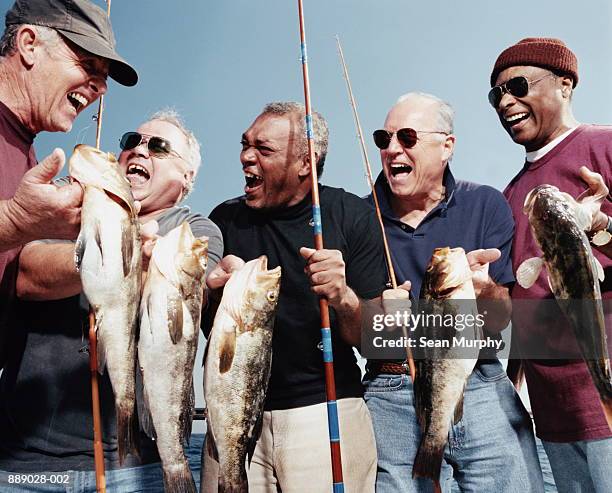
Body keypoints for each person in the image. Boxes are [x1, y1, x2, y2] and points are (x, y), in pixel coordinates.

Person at [0, 110, 223, 492]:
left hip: (136, 467)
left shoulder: (195, 231)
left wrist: (132, 258)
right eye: (131, 141)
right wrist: (116, 251)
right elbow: (26, 275)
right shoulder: (69, 208)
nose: (139, 149)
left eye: (158, 146)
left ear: (186, 178)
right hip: (23, 461)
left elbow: (187, 299)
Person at [362, 92, 544, 492]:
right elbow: (352, 328)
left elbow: (499, 318)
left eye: (407, 137)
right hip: (391, 391)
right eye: (383, 138)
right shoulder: (359, 218)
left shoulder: (486, 205)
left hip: (479, 378)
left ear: (447, 145)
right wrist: (372, 314)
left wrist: (485, 289)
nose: (392, 149)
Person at [201, 101, 387, 492]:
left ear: (306, 162)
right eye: (245, 144)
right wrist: (210, 291)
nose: (245, 157)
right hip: (232, 416)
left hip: (326, 413)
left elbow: (374, 342)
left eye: (263, 150)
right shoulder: (224, 219)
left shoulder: (353, 214)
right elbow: (207, 331)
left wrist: (344, 298)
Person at [489, 37, 612, 492]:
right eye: (496, 94)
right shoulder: (505, 197)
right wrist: (511, 386)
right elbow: (521, 305)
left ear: (565, 85)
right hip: (553, 413)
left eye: (518, 85)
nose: (506, 101)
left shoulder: (606, 146)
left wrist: (602, 226)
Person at [0, 0, 137, 361]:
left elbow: (21, 276)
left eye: (105, 77)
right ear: (29, 44)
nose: (101, 88)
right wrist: (16, 220)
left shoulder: (28, 157)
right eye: (88, 65)